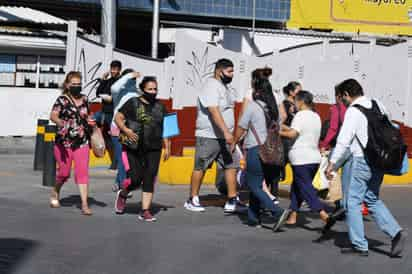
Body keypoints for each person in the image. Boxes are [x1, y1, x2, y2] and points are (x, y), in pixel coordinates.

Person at [326, 79, 405, 257]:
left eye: (342, 97)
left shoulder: (353, 111)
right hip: (379, 161)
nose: (342, 101)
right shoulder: (379, 104)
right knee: (371, 198)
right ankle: (396, 232)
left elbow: (343, 140)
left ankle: (359, 245)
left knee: (352, 202)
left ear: (347, 94)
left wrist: (332, 163)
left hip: (362, 161)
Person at [184, 58, 244, 213]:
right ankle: (193, 198)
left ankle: (232, 199)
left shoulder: (225, 87)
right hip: (210, 135)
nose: (232, 74)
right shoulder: (211, 86)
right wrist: (225, 131)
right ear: (219, 71)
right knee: (201, 166)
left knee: (231, 166)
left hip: (226, 137)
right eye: (229, 71)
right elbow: (213, 110)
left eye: (233, 71)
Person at [233, 71, 289, 230]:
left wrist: (233, 143)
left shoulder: (252, 107)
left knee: (254, 185)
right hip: (271, 152)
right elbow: (278, 124)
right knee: (257, 183)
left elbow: (241, 127)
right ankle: (253, 218)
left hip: (255, 149)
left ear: (257, 92)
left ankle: (277, 211)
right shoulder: (274, 110)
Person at [114, 76, 171, 222]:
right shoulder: (132, 102)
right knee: (135, 179)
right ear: (142, 90)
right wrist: (126, 130)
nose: (153, 92)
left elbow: (168, 127)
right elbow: (118, 117)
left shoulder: (161, 106)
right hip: (134, 146)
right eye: (150, 89)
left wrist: (168, 145)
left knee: (149, 177)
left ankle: (145, 210)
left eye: (155, 89)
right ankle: (123, 193)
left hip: (154, 147)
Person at [280, 90, 335, 230]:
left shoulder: (300, 115)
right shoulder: (316, 116)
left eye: (295, 102)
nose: (294, 105)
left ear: (301, 102)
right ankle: (293, 216)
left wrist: (277, 132)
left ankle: (323, 214)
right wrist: (283, 127)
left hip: (300, 157)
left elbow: (293, 134)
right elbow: (302, 131)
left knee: (305, 188)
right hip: (313, 158)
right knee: (297, 186)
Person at [49, 71, 94, 216]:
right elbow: (53, 115)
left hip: (82, 142)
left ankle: (85, 204)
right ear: (67, 85)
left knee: (82, 173)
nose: (77, 86)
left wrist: (91, 122)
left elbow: (89, 115)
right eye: (73, 84)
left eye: (79, 84)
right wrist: (60, 123)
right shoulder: (62, 100)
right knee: (64, 173)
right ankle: (55, 191)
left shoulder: (85, 99)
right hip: (64, 142)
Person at [240, 67, 281, 204]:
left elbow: (243, 117)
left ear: (254, 80)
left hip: (254, 140)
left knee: (254, 177)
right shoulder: (275, 95)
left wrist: (239, 138)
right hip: (271, 142)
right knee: (264, 174)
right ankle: (258, 207)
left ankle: (270, 201)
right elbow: (281, 116)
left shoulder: (250, 93)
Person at [110, 69, 141, 191]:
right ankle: (123, 187)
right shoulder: (118, 92)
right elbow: (114, 87)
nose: (132, 81)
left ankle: (119, 181)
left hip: (131, 130)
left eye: (134, 79)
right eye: (130, 79)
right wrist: (128, 75)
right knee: (122, 159)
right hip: (117, 128)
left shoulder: (136, 93)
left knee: (128, 158)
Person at [95, 60, 122, 170]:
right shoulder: (108, 80)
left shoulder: (120, 82)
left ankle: (116, 163)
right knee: (91, 122)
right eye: (112, 69)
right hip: (103, 112)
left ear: (119, 70)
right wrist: (102, 80)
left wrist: (111, 98)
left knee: (115, 139)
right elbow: (98, 93)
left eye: (115, 69)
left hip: (113, 114)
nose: (113, 71)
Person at [279, 81, 301, 180]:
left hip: (297, 138)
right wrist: (292, 129)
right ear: (291, 92)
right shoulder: (284, 104)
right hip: (286, 139)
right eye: (299, 91)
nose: (301, 93)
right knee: (284, 162)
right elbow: (280, 123)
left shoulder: (299, 105)